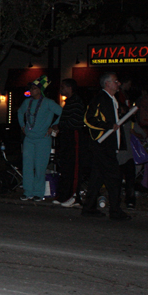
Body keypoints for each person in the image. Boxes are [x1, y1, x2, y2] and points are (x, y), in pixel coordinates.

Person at [81, 72, 131, 221]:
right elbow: (88, 119)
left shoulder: (112, 100)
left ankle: (89, 207)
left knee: (97, 178)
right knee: (114, 177)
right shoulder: (101, 98)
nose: (119, 84)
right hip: (102, 146)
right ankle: (115, 211)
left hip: (106, 145)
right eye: (116, 81)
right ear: (107, 84)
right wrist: (108, 126)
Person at [16, 76, 62, 201]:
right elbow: (20, 112)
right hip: (29, 138)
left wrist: (53, 126)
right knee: (27, 165)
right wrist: (22, 126)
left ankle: (38, 192)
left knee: (40, 166)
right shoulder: (27, 102)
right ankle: (27, 191)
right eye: (31, 88)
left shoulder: (48, 102)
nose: (31, 90)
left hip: (43, 138)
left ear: (40, 90)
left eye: (34, 88)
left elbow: (62, 113)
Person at [55, 78, 86, 207]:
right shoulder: (69, 102)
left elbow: (76, 122)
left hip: (74, 137)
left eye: (63, 86)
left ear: (69, 88)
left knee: (74, 166)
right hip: (66, 138)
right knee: (66, 166)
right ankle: (64, 195)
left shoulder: (77, 102)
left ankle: (74, 196)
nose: (61, 89)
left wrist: (60, 126)